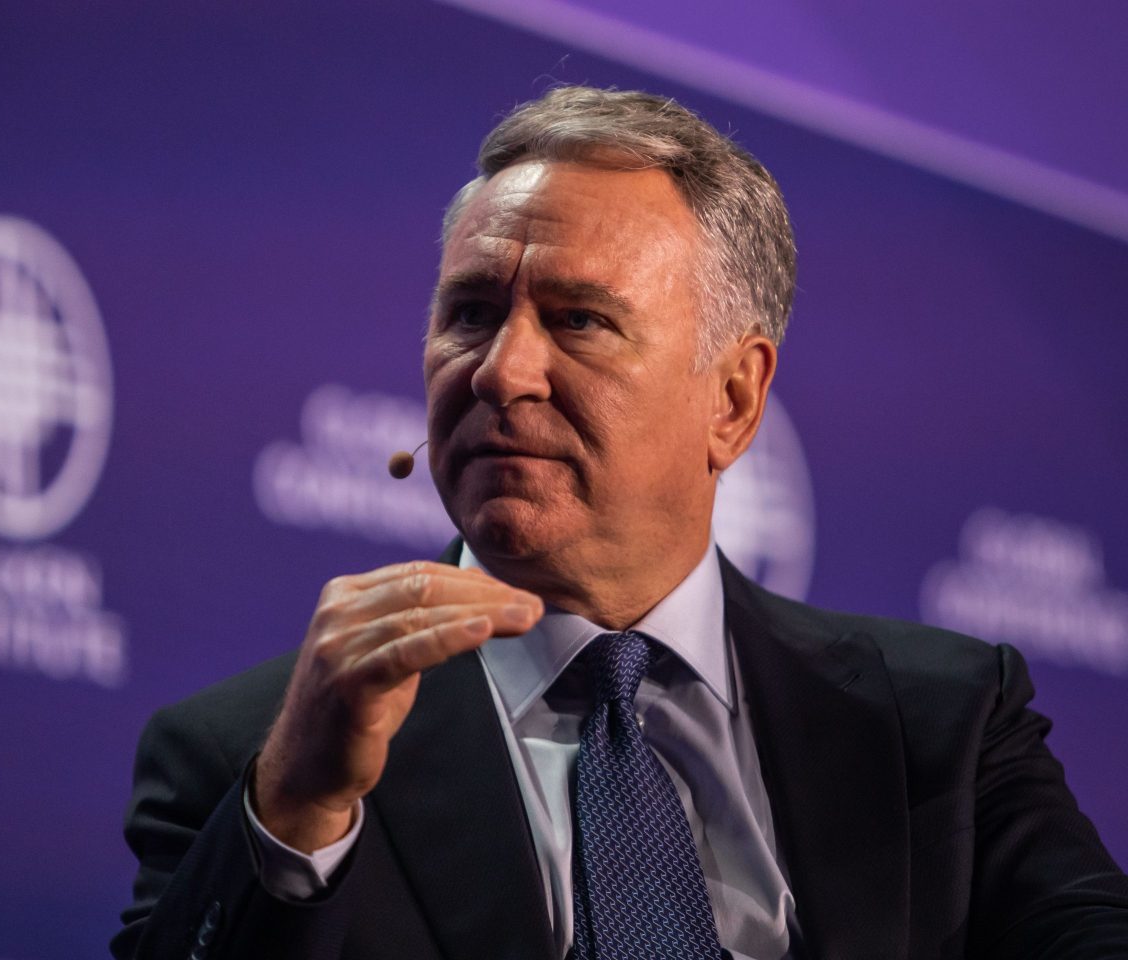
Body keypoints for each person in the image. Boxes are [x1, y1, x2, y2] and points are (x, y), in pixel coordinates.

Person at [110, 87, 1128, 960]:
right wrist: (295, 815)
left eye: (579, 320)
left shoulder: (941, 729)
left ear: (731, 400)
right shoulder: (256, 765)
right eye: (469, 313)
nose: (502, 370)